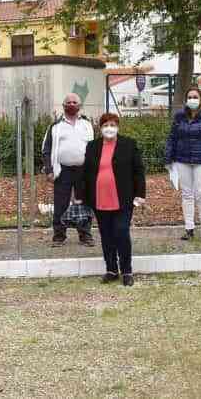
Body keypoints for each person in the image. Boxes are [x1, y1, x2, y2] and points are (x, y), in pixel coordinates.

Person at [83, 113, 146, 286]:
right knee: (106, 235)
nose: (109, 128)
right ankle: (111, 269)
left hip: (122, 198)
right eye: (105, 125)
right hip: (99, 198)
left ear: (117, 127)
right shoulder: (92, 146)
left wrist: (140, 194)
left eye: (112, 125)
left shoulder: (129, 144)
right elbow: (85, 172)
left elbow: (139, 171)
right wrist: (81, 195)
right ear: (100, 128)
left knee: (121, 232)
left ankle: (127, 271)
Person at [164, 86, 201, 241]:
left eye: (195, 97)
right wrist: (168, 159)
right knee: (186, 194)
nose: (192, 100)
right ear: (186, 100)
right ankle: (189, 228)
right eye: (190, 97)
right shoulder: (179, 116)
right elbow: (172, 138)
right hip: (182, 160)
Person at [42, 93, 96, 247]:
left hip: (83, 171)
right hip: (62, 170)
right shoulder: (55, 126)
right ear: (63, 106)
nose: (71, 104)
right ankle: (59, 236)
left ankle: (85, 235)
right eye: (68, 102)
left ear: (79, 105)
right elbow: (46, 149)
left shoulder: (87, 125)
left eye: (74, 102)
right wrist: (49, 170)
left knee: (84, 203)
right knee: (61, 204)